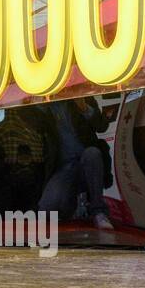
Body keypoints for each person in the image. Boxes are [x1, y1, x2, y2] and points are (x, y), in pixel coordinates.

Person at [38, 96, 114, 229]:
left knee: (92, 153)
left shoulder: (81, 97)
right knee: (46, 209)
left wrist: (84, 108)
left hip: (87, 158)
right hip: (64, 165)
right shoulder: (46, 107)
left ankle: (99, 212)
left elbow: (101, 126)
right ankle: (73, 208)